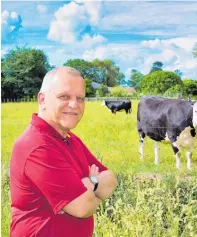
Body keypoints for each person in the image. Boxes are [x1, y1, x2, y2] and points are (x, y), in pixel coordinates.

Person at [10, 66, 118, 237]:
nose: (74, 105)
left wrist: (90, 183)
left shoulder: (70, 139)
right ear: (42, 100)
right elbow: (82, 207)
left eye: (80, 98)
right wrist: (93, 187)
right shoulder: (37, 145)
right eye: (64, 97)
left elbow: (111, 181)